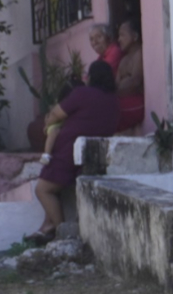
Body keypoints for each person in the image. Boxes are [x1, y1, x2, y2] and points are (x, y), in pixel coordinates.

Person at [28, 60, 120, 244]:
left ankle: (63, 232)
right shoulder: (114, 101)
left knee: (43, 189)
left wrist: (48, 125)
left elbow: (55, 114)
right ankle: (48, 226)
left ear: (91, 77)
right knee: (55, 188)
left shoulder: (82, 93)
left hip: (68, 151)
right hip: (96, 155)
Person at [115, 18, 145, 133]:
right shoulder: (123, 60)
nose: (119, 39)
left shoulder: (139, 53)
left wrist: (125, 81)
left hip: (135, 103)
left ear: (135, 36)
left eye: (122, 35)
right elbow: (117, 85)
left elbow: (135, 82)